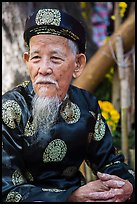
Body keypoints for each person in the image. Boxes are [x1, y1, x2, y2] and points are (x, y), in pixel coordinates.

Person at [2, 8, 135, 202]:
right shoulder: (9, 109)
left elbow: (110, 163)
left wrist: (124, 185)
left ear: (78, 64)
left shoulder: (87, 106)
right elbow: (7, 190)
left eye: (55, 58)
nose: (44, 69)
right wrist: (71, 197)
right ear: (27, 61)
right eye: (36, 58)